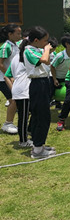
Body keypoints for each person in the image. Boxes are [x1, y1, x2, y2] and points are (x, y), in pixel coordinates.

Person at [21, 26, 55, 158]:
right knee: (42, 116)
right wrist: (46, 50)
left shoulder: (35, 49)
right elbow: (45, 60)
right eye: (44, 41)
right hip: (38, 84)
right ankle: (38, 150)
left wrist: (46, 49)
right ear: (36, 40)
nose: (46, 43)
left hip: (43, 82)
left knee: (40, 114)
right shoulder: (29, 50)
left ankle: (38, 144)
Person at [4, 43, 31, 147]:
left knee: (25, 115)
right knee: (23, 117)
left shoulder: (16, 57)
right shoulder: (24, 57)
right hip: (24, 90)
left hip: (20, 89)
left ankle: (27, 135)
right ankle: (23, 140)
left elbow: (7, 75)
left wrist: (13, 89)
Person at [0, 23, 22, 134]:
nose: (20, 35)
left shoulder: (16, 45)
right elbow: (0, 64)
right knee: (14, 100)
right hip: (3, 79)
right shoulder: (6, 46)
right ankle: (8, 124)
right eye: (18, 33)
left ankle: (10, 123)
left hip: (12, 78)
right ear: (10, 34)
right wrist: (10, 76)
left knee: (15, 100)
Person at [50, 34, 70, 108]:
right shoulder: (60, 56)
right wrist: (54, 79)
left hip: (68, 77)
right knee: (50, 93)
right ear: (67, 44)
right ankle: (54, 103)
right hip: (57, 77)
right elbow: (52, 66)